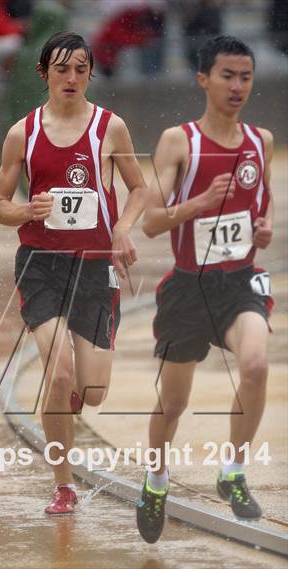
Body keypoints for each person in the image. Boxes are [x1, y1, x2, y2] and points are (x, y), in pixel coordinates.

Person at [0, 31, 148, 514]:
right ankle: (64, 485)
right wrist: (26, 212)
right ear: (44, 74)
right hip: (41, 266)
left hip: (95, 268)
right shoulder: (23, 133)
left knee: (93, 391)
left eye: (81, 68)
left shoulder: (110, 128)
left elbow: (139, 189)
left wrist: (122, 227)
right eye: (62, 68)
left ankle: (75, 392)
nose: (72, 77)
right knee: (58, 375)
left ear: (90, 74)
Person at [137, 35, 274, 543]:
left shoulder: (262, 140)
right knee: (172, 404)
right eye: (227, 76)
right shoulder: (180, 141)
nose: (237, 86)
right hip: (189, 288)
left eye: (245, 76)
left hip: (239, 282)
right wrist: (194, 206)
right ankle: (155, 481)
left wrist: (264, 228)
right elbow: (151, 222)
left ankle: (233, 473)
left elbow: (265, 201)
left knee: (256, 365)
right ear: (203, 79)